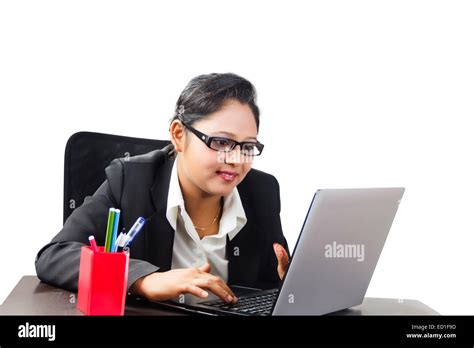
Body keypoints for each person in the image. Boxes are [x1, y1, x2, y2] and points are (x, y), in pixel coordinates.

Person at [35, 72, 290, 305]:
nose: (236, 159)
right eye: (222, 142)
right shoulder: (130, 181)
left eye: (247, 146)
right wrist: (143, 280)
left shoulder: (261, 190)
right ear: (179, 135)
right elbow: (54, 256)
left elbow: (271, 281)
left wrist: (289, 281)